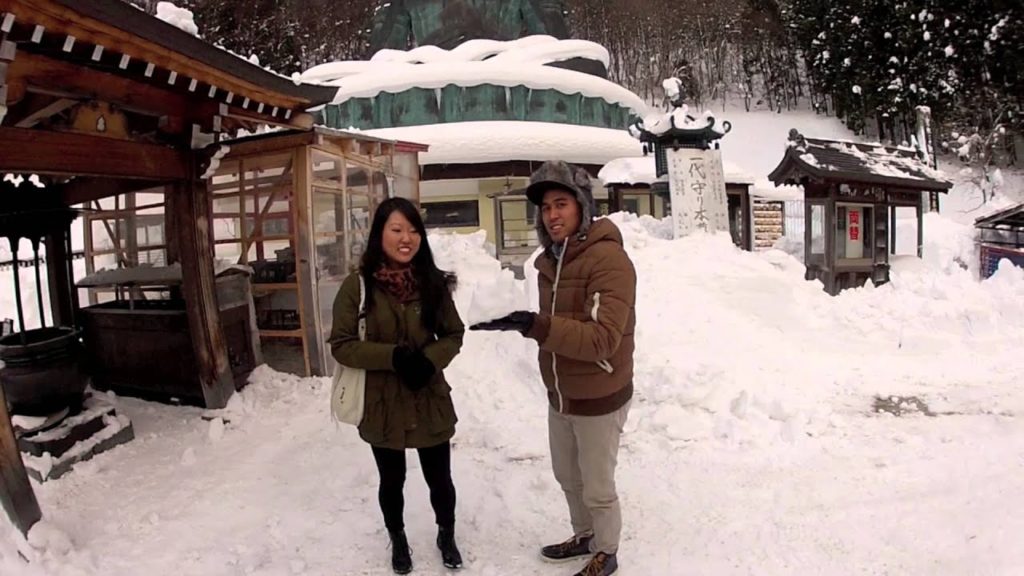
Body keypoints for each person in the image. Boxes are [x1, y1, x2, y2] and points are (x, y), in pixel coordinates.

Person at [471, 160, 636, 576]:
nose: (552, 215)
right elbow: (558, 328)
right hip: (561, 392)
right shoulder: (549, 262)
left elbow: (602, 338)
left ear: (581, 205)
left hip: (599, 393)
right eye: (545, 208)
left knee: (598, 485)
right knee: (568, 475)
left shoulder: (609, 260)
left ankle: (607, 550)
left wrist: (536, 325)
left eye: (561, 204)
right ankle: (584, 535)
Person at [329, 197, 465, 575]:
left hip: (429, 397)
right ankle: (398, 537)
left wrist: (429, 359)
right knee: (392, 479)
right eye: (397, 229)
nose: (407, 238)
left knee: (440, 477)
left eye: (414, 230)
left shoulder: (433, 283)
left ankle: (446, 532)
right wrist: (392, 357)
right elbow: (341, 345)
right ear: (380, 235)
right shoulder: (357, 287)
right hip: (382, 404)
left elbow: (454, 334)